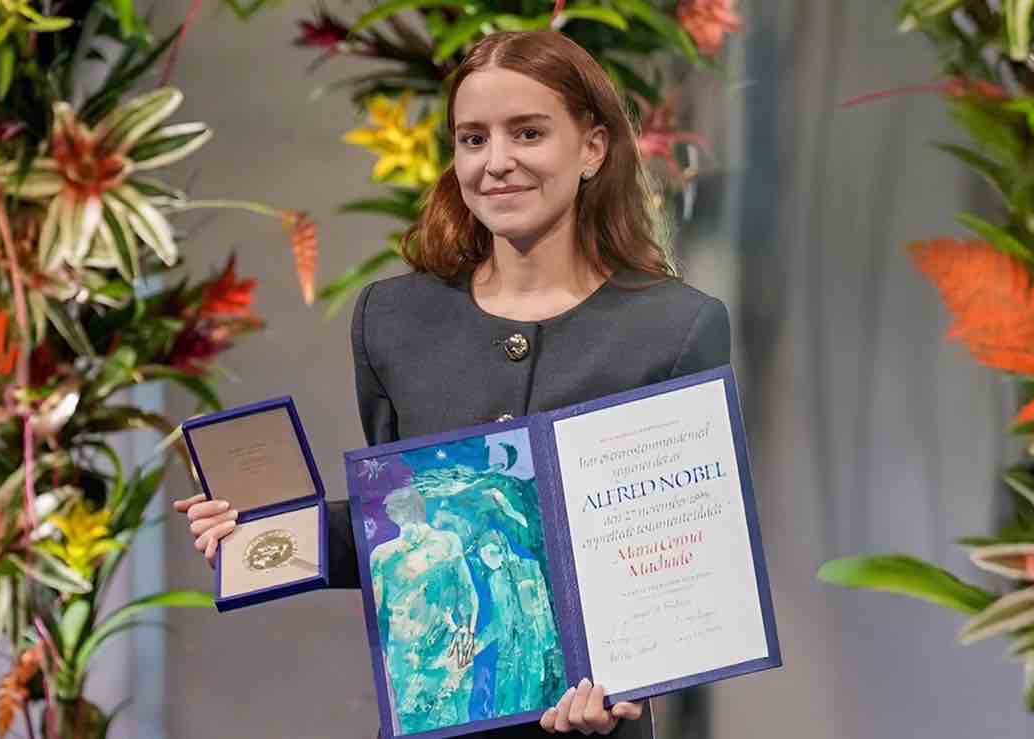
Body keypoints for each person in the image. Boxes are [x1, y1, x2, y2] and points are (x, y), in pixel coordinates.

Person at [175, 29, 731, 738]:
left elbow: (686, 555)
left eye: (527, 133)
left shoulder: (676, 327)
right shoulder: (392, 319)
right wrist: (262, 532)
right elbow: (408, 516)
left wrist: (635, 683)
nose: (496, 162)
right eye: (472, 139)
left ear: (592, 148)